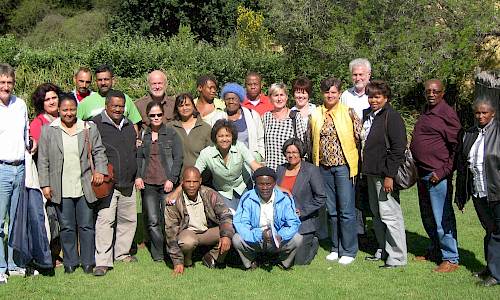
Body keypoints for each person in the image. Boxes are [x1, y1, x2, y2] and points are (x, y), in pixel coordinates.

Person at [38, 93, 108, 274]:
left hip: (84, 185)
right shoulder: (48, 130)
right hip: (60, 187)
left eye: (72, 109)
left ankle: (87, 261)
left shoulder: (88, 127)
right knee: (67, 226)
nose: (69, 113)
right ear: (59, 110)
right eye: (65, 109)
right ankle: (70, 261)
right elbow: (43, 159)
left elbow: (99, 152)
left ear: (77, 109)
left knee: (86, 225)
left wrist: (100, 170)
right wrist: (45, 184)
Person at [410, 79, 461, 272]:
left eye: (435, 91)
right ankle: (436, 249)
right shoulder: (427, 110)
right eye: (428, 91)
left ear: (442, 93)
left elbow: (457, 149)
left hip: (437, 175)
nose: (431, 94)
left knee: (442, 218)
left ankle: (451, 258)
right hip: (422, 173)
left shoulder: (447, 114)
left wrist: (442, 172)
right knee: (428, 216)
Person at [309, 77, 361, 265]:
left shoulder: (348, 112)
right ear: (322, 94)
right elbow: (311, 140)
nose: (330, 95)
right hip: (323, 168)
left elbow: (358, 138)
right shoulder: (315, 114)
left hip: (343, 167)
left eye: (333, 92)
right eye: (327, 92)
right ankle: (335, 247)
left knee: (346, 210)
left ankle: (349, 250)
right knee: (331, 211)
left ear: (339, 93)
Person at [361, 80, 407, 268]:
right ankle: (383, 250)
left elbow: (398, 149)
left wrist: (389, 175)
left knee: (390, 215)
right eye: (371, 96)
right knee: (377, 214)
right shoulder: (369, 115)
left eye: (377, 96)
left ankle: (397, 257)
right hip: (370, 173)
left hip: (384, 175)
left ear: (386, 98)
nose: (373, 100)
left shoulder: (392, 117)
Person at [92, 90, 138, 276]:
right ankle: (103, 261)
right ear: (106, 106)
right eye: (114, 106)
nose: (118, 109)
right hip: (108, 182)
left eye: (121, 106)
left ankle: (122, 253)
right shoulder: (96, 124)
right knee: (105, 220)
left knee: (128, 220)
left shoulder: (128, 125)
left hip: (128, 182)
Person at [455, 97, 500, 286]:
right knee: (490, 230)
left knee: (498, 232)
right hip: (479, 192)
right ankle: (491, 268)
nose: (480, 116)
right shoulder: (470, 133)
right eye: (477, 113)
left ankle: (496, 275)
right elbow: (463, 165)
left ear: (493, 113)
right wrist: (461, 194)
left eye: (484, 113)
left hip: (496, 192)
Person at [135, 101, 183, 262]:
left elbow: (178, 158)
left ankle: (172, 250)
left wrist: (172, 179)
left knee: (168, 220)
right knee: (153, 220)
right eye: (152, 115)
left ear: (163, 115)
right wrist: (138, 176)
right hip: (148, 183)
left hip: (166, 184)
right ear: (147, 117)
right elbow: (139, 157)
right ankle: (158, 254)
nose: (156, 118)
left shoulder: (171, 134)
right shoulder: (143, 134)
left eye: (159, 115)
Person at [165, 167, 234, 275]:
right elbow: (170, 233)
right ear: (182, 181)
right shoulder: (174, 201)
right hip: (188, 233)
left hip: (207, 232)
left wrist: (226, 235)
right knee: (187, 242)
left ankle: (212, 257)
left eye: (195, 182)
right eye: (188, 181)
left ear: (200, 181)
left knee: (230, 231)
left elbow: (225, 214)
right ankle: (187, 259)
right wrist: (177, 262)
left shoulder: (210, 194)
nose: (191, 185)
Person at [0, 63, 33, 283]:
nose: (6, 86)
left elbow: (26, 133)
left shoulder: (20, 104)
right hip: (1, 168)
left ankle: (13, 263)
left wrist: (31, 144)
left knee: (16, 222)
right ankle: (0, 266)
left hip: (20, 168)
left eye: (9, 82)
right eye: (2, 82)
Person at [232, 167, 302, 270]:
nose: (265, 188)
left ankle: (283, 262)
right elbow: (241, 223)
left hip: (278, 239)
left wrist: (280, 236)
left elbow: (294, 222)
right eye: (261, 184)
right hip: (256, 238)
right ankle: (251, 262)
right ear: (255, 184)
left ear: (274, 184)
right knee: (237, 239)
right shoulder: (247, 198)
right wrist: (260, 235)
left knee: (297, 238)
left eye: (268, 184)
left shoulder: (285, 198)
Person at [276, 138, 326, 265]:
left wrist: (302, 211)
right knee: (278, 259)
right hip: (283, 221)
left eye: (295, 152)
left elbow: (321, 197)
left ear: (301, 153)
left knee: (299, 262)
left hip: (304, 222)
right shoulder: (280, 169)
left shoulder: (311, 170)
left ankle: (313, 242)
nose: (291, 155)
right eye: (288, 152)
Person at [194, 119, 262, 212]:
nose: (224, 139)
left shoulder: (240, 146)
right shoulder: (206, 153)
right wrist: (176, 192)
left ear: (232, 137)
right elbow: (193, 173)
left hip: (243, 186)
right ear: (215, 137)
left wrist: (273, 183)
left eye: (227, 136)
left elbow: (254, 165)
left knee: (248, 212)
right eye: (221, 136)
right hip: (223, 191)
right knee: (230, 216)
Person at [340, 58, 372, 243]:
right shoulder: (346, 95)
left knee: (373, 193)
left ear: (369, 75)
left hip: (371, 151)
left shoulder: (374, 94)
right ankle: (359, 232)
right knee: (355, 191)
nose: (358, 77)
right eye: (355, 74)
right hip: (352, 151)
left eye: (361, 74)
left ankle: (377, 230)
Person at [77, 64, 142, 134]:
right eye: (99, 80)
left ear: (113, 80)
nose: (103, 83)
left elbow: (134, 123)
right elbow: (76, 126)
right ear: (96, 81)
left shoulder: (124, 98)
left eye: (106, 79)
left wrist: (136, 139)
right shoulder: (86, 102)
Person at [262, 83, 306, 170]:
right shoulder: (266, 117)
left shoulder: (295, 116)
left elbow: (303, 145)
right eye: (275, 95)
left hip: (290, 169)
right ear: (270, 98)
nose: (279, 99)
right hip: (271, 169)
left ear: (286, 97)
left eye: (281, 95)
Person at [221, 82, 265, 162]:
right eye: (228, 99)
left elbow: (260, 138)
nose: (231, 101)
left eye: (234, 98)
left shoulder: (252, 115)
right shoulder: (219, 117)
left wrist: (260, 155)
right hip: (227, 162)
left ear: (240, 99)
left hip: (250, 162)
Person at [170, 93, 212, 171]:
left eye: (187, 105)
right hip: (176, 179)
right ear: (177, 108)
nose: (184, 108)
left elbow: (211, 156)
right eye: (181, 106)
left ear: (193, 106)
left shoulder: (206, 128)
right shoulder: (170, 127)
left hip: (200, 178)